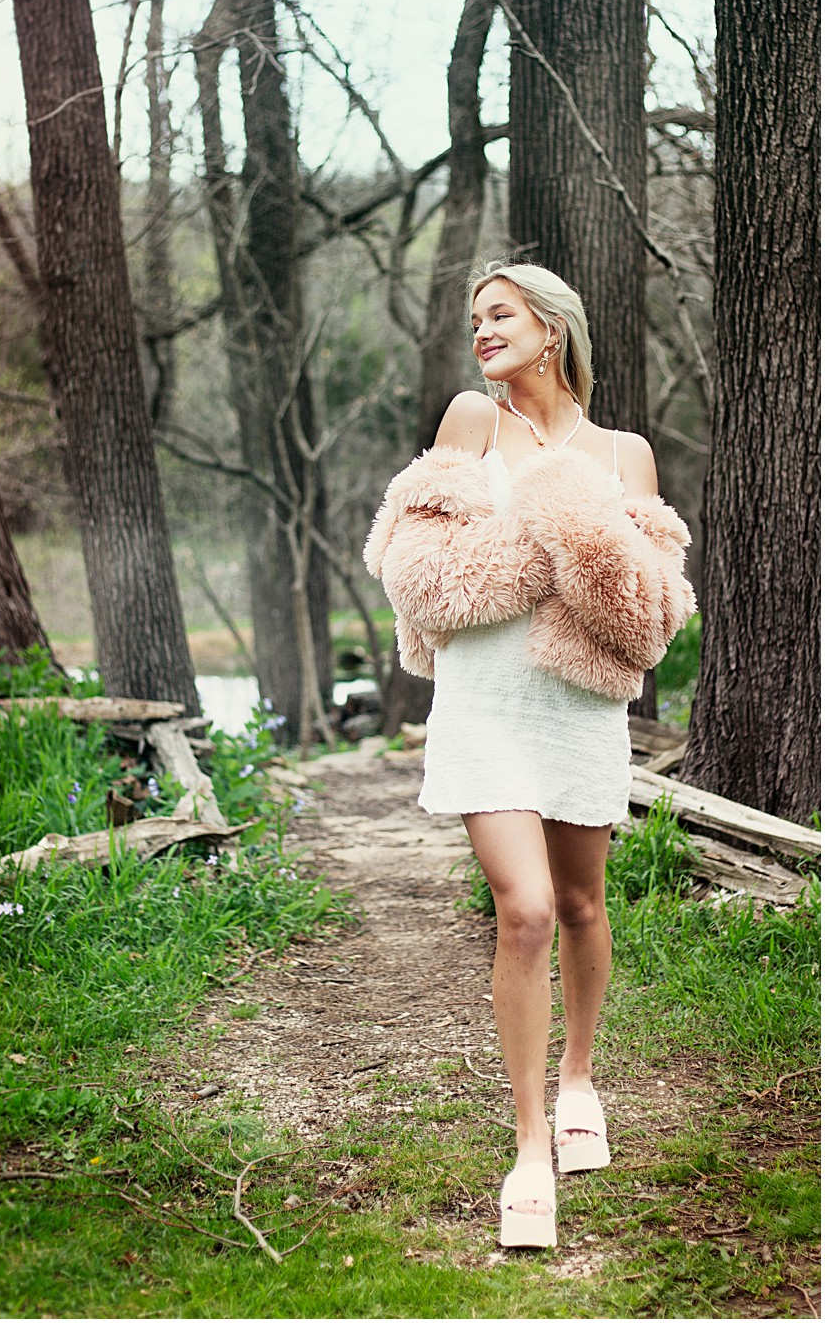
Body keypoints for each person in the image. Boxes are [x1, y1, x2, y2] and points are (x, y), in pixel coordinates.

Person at [363, 261, 695, 1250]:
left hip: (576, 705)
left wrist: (551, 530)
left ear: (551, 328)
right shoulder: (470, 421)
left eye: (498, 314)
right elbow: (418, 575)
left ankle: (579, 1075)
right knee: (526, 910)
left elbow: (645, 614)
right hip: (482, 706)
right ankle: (526, 1145)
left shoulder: (623, 452)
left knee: (585, 904)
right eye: (475, 319)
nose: (481, 331)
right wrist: (557, 532)